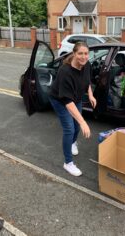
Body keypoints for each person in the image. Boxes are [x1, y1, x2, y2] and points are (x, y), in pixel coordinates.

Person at [49, 42, 97, 177]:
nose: (83, 56)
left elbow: (87, 81)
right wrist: (83, 122)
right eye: (80, 53)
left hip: (76, 98)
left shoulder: (87, 65)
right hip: (60, 100)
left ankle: (72, 143)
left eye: (86, 53)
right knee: (70, 128)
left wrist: (91, 95)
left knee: (76, 126)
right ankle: (68, 163)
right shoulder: (65, 71)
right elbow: (67, 102)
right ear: (74, 54)